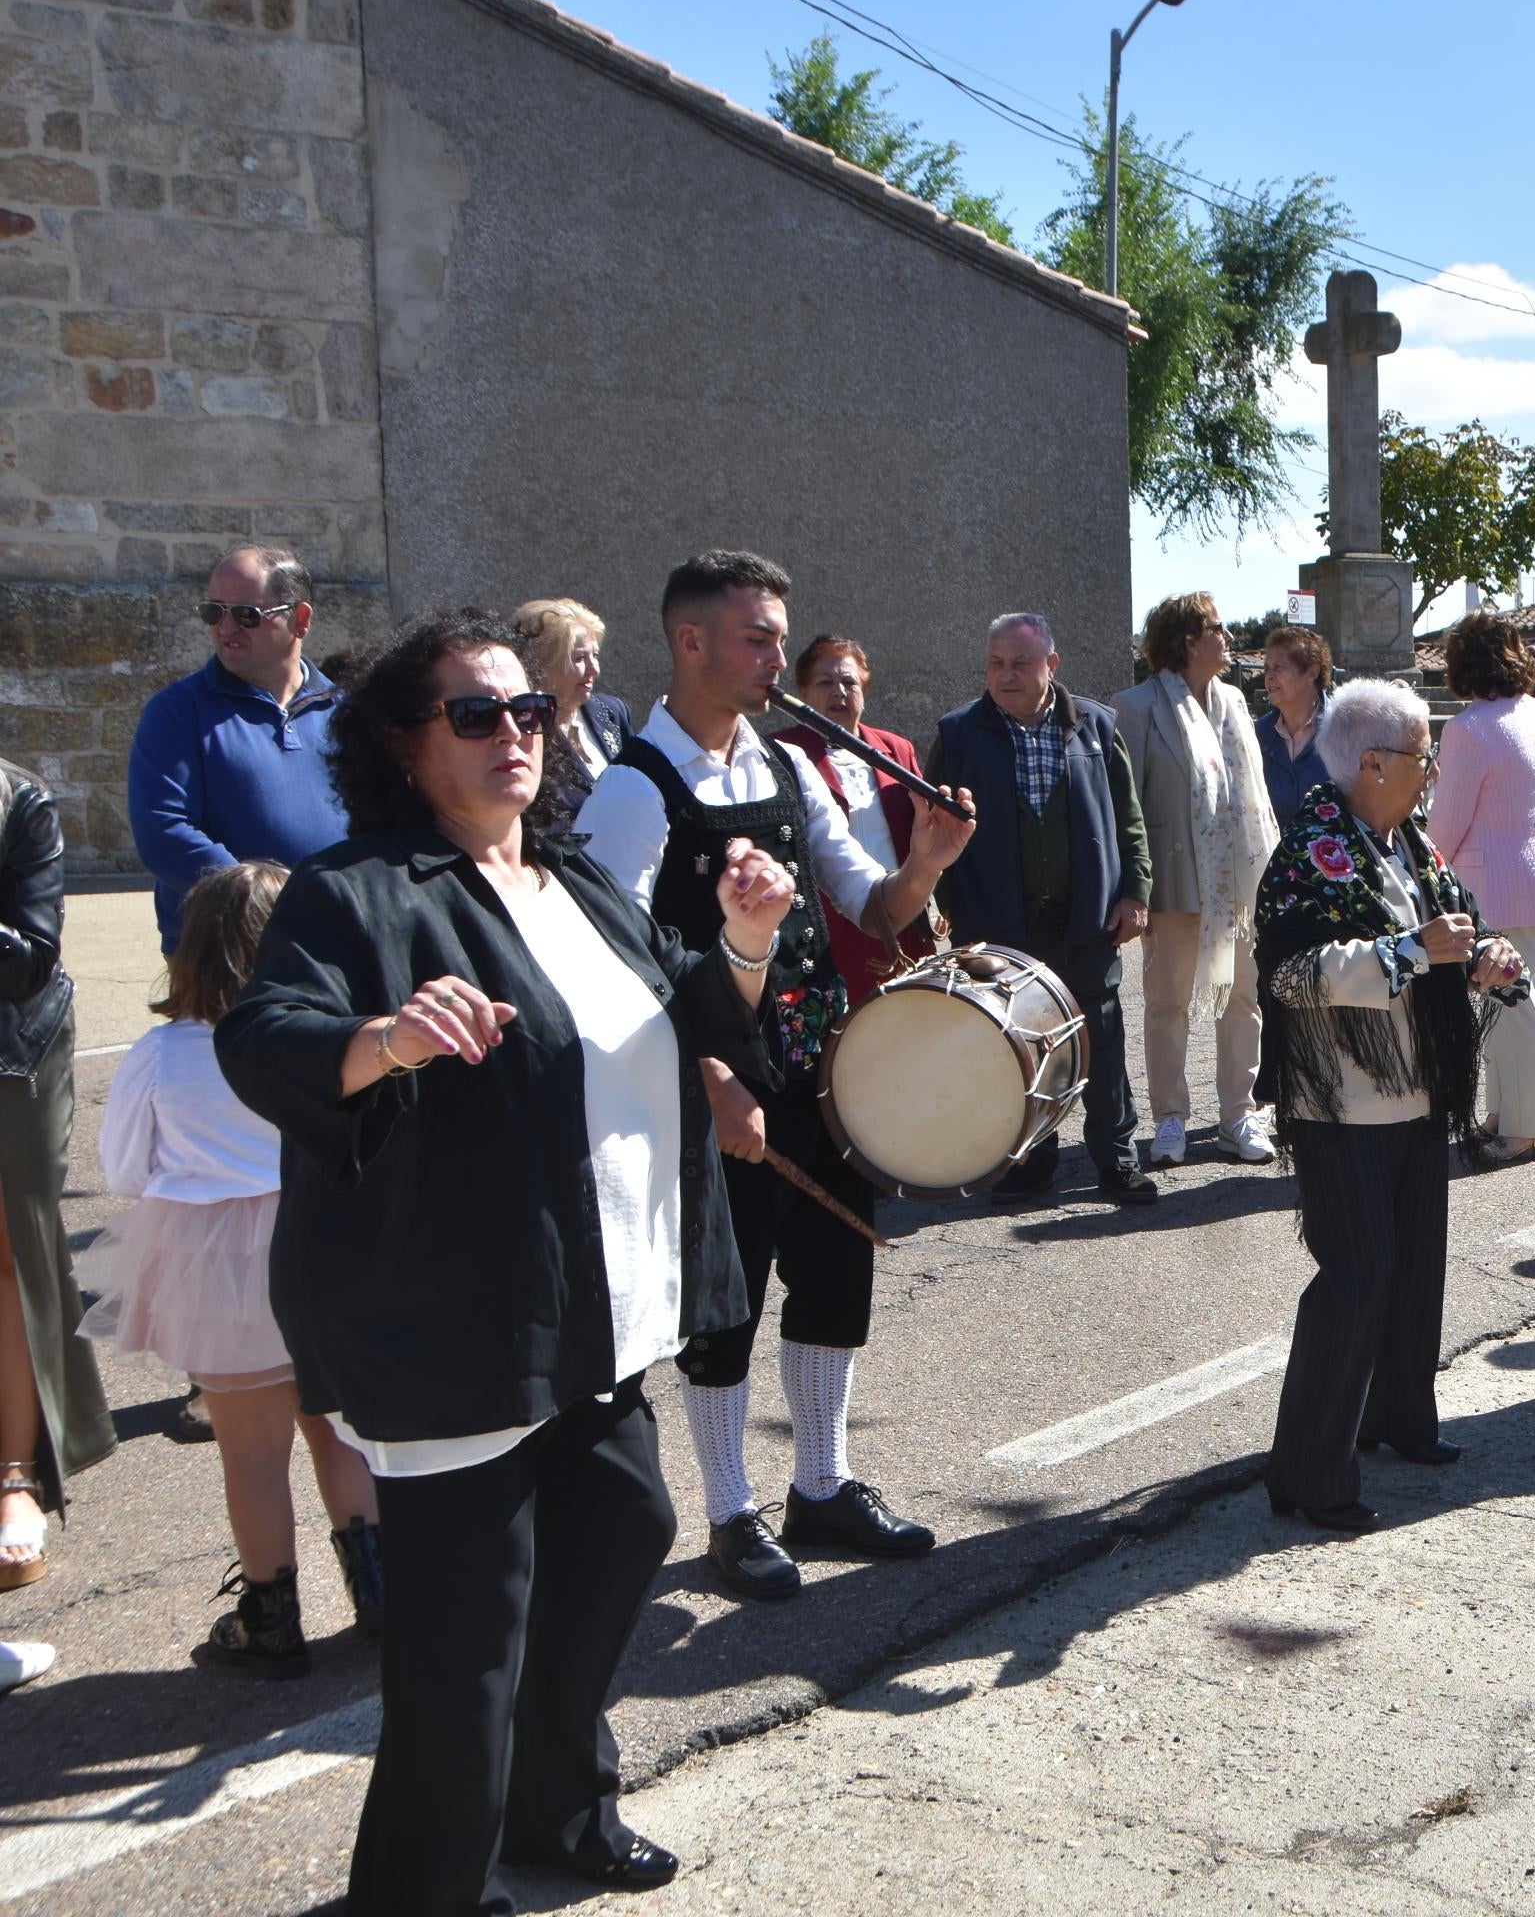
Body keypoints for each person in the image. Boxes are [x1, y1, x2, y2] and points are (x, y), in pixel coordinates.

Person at [218, 609, 797, 1909]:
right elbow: (266, 1036)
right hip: (457, 1325)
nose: (514, 735)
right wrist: (386, 1038)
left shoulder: (577, 876)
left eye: (527, 712)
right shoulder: (360, 888)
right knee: (463, 1656)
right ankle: (421, 1892)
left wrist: (749, 938)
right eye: (475, 715)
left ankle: (558, 1815)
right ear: (404, 746)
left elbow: (689, 1007)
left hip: (589, 1315)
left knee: (626, 1526)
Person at [571, 550, 973, 1601]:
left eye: (780, 638)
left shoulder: (787, 766)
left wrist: (926, 859)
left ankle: (822, 1485)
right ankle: (727, 1510)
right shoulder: (633, 787)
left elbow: (869, 902)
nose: (777, 658)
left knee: (837, 1272)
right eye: (756, 638)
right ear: (689, 641)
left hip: (815, 1063)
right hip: (712, 1081)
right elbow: (609, 958)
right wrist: (707, 1076)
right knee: (726, 1300)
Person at [1254, 682, 1528, 1534]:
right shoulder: (1309, 849)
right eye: (1423, 755)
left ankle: (1398, 1420)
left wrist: (1482, 956)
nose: (1434, 770)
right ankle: (1306, 1474)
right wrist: (1406, 951)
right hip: (1342, 1097)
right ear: (1373, 763)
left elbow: (1453, 926)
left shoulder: (1403, 840)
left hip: (1415, 1090)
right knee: (1357, 1278)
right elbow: (1290, 976)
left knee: (1413, 1269)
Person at [97, 862, 384, 1673]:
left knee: (251, 1455)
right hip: (322, 1246)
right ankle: (379, 1590)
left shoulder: (163, 1054)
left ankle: (271, 1614)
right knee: (342, 1432)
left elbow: (123, 1165)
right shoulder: (327, 1041)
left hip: (215, 1270)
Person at [927, 614, 1158, 1206]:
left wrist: (1136, 893)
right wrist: (957, 909)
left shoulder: (1096, 727)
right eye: (995, 664)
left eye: (1020, 664)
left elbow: (1129, 820)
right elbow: (934, 833)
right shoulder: (958, 734)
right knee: (1020, 1050)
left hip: (1088, 922)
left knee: (1102, 1045)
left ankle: (1116, 1160)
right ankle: (1030, 1161)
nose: (1006, 675)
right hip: (1002, 929)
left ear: (1050, 665)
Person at [1113, 594, 1280, 1167]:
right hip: (1175, 879)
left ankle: (1238, 1114)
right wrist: (1131, 887)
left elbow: (1252, 798)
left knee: (1242, 999)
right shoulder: (1136, 706)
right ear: (1187, 640)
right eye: (1216, 627)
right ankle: (1170, 1120)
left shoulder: (1234, 702)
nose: (1228, 635)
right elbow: (1125, 799)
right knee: (1169, 1003)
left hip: (1238, 881)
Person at [2, 757, 113, 1594]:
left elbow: (28, 959)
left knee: (9, 1255)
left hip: (10, 1051)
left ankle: (16, 1477)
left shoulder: (18, 800)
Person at [128, 544, 349, 955]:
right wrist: (264, 907)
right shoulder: (178, 712)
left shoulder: (346, 711)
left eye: (246, 615)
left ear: (299, 619)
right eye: (214, 611)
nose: (225, 629)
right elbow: (164, 832)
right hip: (226, 955)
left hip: (336, 943)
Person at [1429, 613, 1535, 1169]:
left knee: (1512, 1004)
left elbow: (1445, 823)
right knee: (1507, 1001)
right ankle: (1506, 1114)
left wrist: (1421, 861)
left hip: (1493, 881)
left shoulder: (1468, 728)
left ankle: (1524, 1129)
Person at [773, 634, 938, 1002]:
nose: (840, 692)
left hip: (899, 922)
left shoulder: (895, 749)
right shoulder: (781, 753)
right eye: (825, 683)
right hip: (830, 929)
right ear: (802, 691)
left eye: (849, 682)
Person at [511, 597, 632, 778]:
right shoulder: (522, 730)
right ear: (541, 665)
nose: (594, 670)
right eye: (579, 658)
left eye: (595, 655)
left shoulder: (611, 712)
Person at [1258, 624, 1335, 828]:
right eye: (1267, 668)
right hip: (1276, 856)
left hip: (1336, 854)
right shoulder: (1259, 735)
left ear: (1312, 672)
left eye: (1279, 667)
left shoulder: (1344, 727)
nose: (1269, 676)